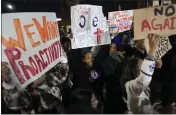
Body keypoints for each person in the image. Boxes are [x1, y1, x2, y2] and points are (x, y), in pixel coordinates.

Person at [120, 33, 159, 114]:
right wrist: (152, 51)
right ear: (134, 71)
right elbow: (144, 79)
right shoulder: (130, 87)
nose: (144, 69)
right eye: (142, 67)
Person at [102, 41, 127, 113]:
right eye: (114, 48)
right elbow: (110, 76)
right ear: (109, 49)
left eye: (116, 48)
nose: (116, 49)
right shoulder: (106, 61)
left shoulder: (118, 57)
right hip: (113, 89)